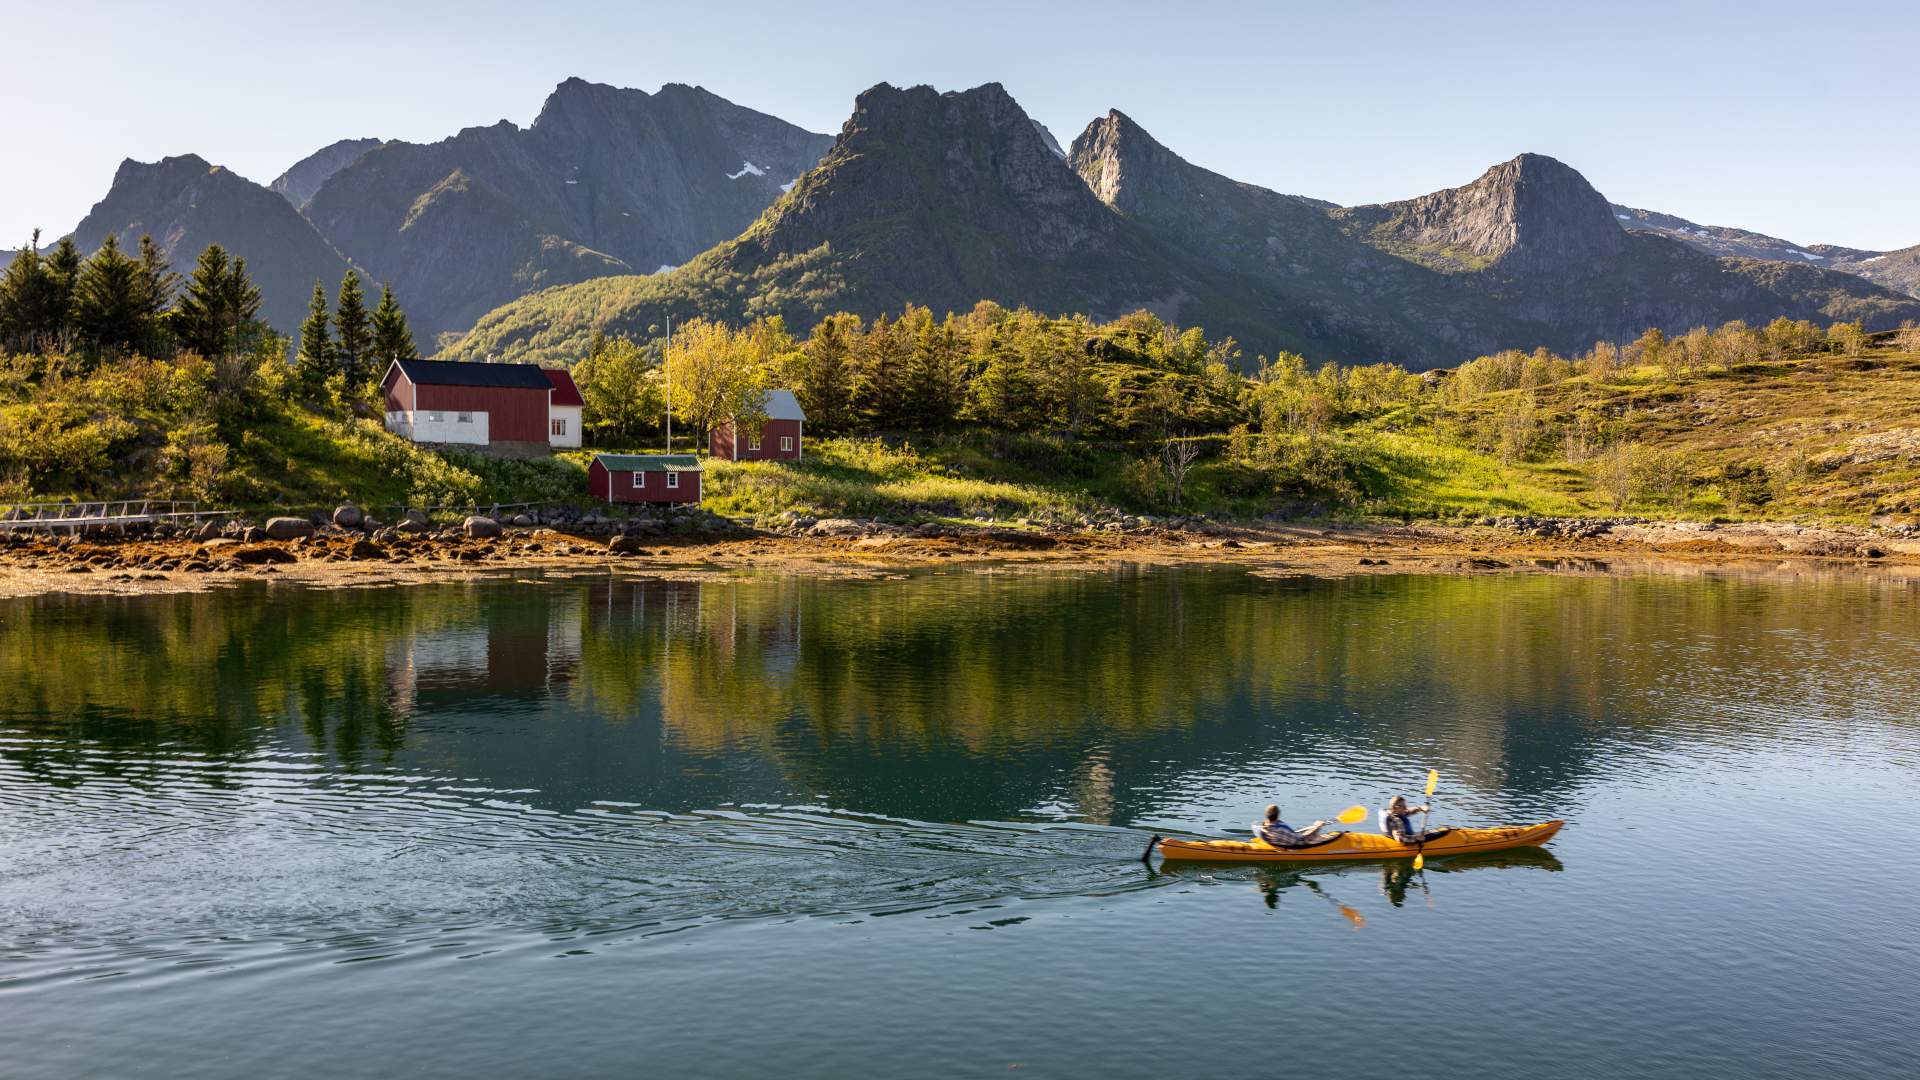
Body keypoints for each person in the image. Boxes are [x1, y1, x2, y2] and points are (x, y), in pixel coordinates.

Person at [1253, 804, 1325, 848]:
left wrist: (1313, 827)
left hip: (1278, 841)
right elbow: (1300, 841)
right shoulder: (1280, 830)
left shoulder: (1261, 826)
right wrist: (1317, 827)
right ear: (1278, 814)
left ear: (1266, 815)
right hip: (1294, 844)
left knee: (1303, 831)